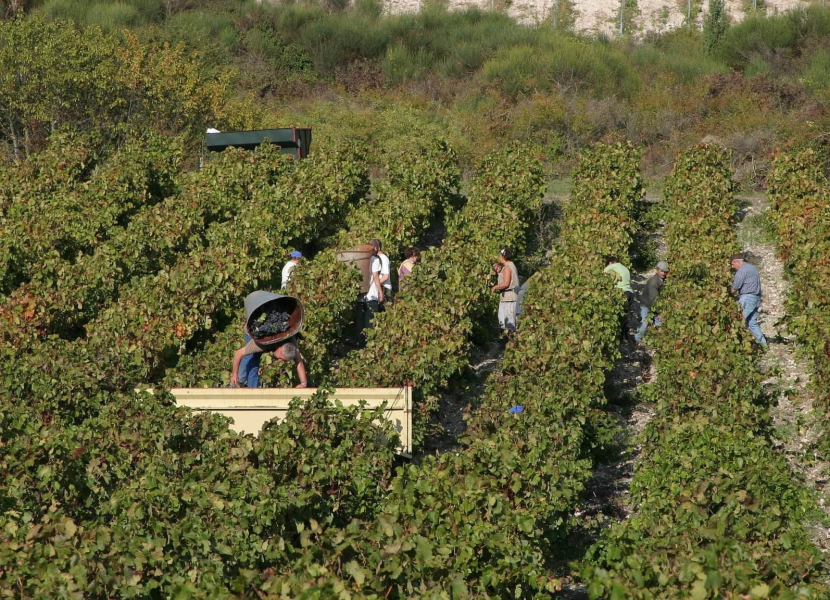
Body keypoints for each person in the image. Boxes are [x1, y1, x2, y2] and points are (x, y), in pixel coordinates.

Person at [231, 336, 308, 389]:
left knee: (253, 364)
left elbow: (299, 363)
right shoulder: (262, 343)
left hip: (279, 338)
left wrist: (303, 383)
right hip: (254, 333)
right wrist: (234, 374)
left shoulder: (292, 349)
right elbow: (238, 353)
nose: (280, 361)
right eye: (281, 358)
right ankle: (237, 383)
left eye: (284, 360)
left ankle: (251, 389)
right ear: (279, 348)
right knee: (252, 360)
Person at [731, 253, 767, 346]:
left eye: (733, 264)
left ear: (738, 262)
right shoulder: (753, 268)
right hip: (756, 298)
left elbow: (735, 287)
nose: (732, 267)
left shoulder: (741, 270)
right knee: (752, 323)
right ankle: (763, 345)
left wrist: (728, 293)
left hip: (747, 298)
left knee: (739, 321)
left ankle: (737, 345)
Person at [634, 260, 669, 343]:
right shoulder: (653, 283)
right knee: (644, 323)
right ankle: (637, 338)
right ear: (657, 270)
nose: (663, 273)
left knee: (659, 323)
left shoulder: (664, 279)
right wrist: (659, 313)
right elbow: (654, 299)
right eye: (661, 271)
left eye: (665, 272)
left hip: (656, 304)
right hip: (646, 304)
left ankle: (656, 340)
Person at [604, 256, 634, 342]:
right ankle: (625, 336)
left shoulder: (612, 266)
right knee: (625, 315)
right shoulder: (625, 268)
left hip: (622, 293)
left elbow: (603, 273)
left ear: (610, 263)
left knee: (618, 315)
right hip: (630, 293)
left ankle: (619, 338)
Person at [491, 247, 520, 332]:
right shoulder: (510, 266)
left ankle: (509, 339)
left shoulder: (508, 267)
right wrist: (500, 272)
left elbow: (506, 283)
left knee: (509, 325)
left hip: (509, 300)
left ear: (503, 256)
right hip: (508, 299)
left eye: (500, 255)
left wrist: (495, 287)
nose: (499, 257)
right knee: (506, 324)